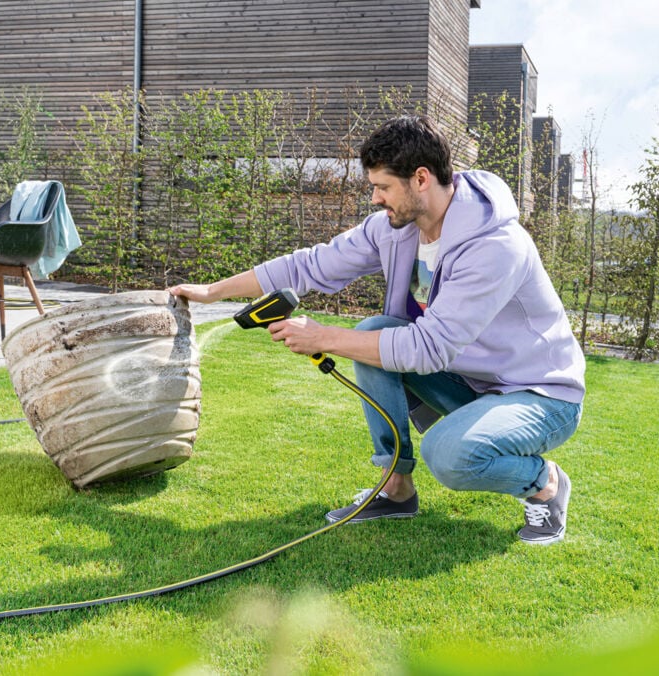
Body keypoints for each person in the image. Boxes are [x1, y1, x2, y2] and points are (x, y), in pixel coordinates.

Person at [169, 115, 585, 545]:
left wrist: (323, 336)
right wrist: (213, 291)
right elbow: (308, 265)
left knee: (447, 454)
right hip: (467, 382)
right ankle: (396, 489)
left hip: (539, 394)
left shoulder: (496, 248)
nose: (375, 198)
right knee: (375, 329)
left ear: (420, 179)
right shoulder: (397, 228)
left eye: (383, 187)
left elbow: (427, 349)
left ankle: (546, 482)